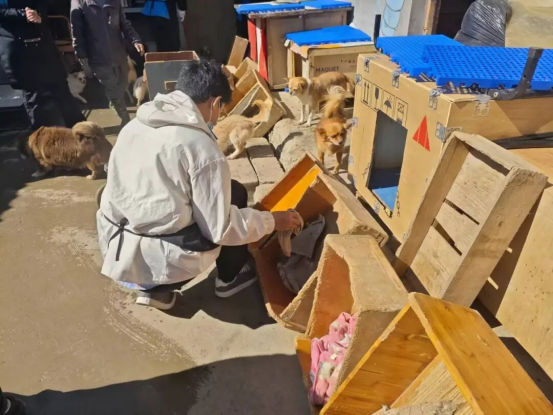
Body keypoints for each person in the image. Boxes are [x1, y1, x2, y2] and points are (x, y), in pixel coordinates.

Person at [96, 59, 301, 310]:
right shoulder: (200, 147)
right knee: (234, 196)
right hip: (159, 259)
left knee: (212, 195)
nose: (218, 116)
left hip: (116, 247)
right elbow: (221, 229)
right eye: (221, 109)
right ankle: (228, 278)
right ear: (215, 102)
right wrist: (272, 221)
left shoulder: (134, 125)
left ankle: (154, 291)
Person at [0, 1, 86, 128]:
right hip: (19, 48)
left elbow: (44, 4)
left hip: (43, 44)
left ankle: (81, 131)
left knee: (62, 88)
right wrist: (23, 14)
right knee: (33, 96)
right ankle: (40, 135)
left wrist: (39, 14)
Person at [70, 0, 145, 126]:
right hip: (98, 58)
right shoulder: (80, 3)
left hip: (119, 55)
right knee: (113, 89)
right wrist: (81, 56)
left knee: (122, 86)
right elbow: (76, 32)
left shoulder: (115, 2)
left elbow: (125, 24)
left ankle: (114, 102)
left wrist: (135, 40)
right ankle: (126, 120)